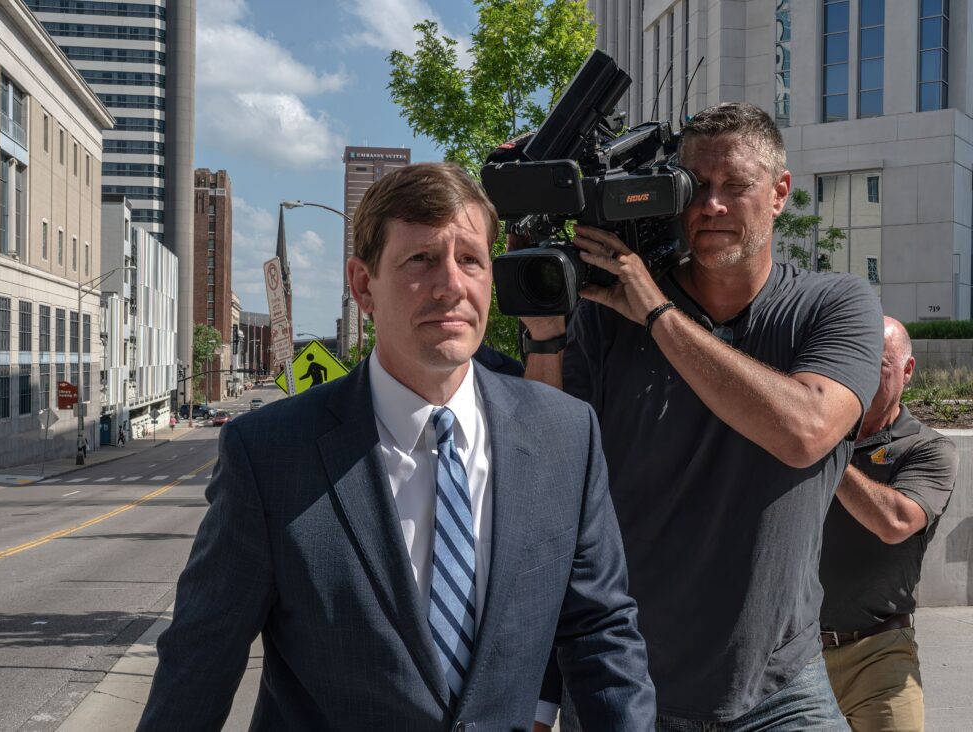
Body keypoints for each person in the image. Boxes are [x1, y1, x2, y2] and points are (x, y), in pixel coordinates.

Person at [139, 162, 656, 731]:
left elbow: (601, 635)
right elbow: (200, 660)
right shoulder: (268, 453)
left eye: (470, 260)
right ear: (364, 285)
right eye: (421, 259)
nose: (451, 286)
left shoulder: (566, 433)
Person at [522, 102, 883, 729]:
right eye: (695, 185)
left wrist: (659, 315)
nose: (712, 205)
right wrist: (546, 336)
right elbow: (548, 467)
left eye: (735, 185)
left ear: (779, 193)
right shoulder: (607, 309)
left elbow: (805, 432)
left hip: (779, 686)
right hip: (623, 680)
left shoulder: (834, 303)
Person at [819, 317, 957, 730]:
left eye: (876, 363)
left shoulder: (927, 448)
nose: (860, 374)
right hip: (796, 654)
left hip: (880, 653)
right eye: (854, 359)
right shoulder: (819, 436)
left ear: (907, 370)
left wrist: (824, 449)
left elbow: (895, 521)